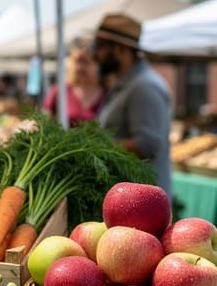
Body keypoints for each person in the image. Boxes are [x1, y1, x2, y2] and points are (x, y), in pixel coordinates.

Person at [94, 13, 172, 198]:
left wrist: (97, 147)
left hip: (143, 203)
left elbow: (147, 144)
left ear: (121, 49)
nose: (96, 54)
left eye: (100, 46)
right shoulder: (126, 83)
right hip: (129, 198)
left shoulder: (144, 87)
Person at [42, 38, 104, 126]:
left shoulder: (108, 93)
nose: (79, 67)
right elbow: (44, 122)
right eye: (76, 61)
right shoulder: (59, 91)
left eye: (85, 61)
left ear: (97, 63)